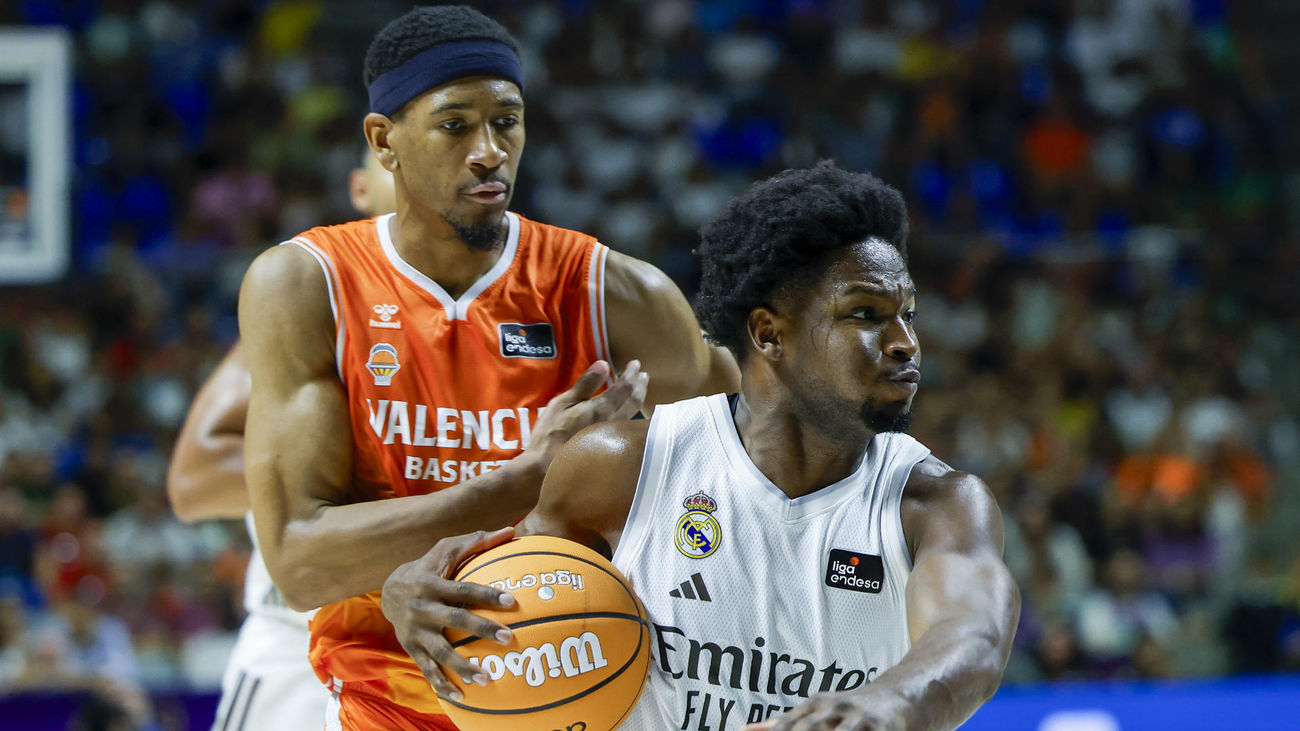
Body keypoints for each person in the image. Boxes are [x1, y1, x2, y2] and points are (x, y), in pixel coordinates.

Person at [236, 6, 738, 730]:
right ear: (384, 141)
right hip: (387, 703)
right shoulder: (308, 283)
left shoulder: (615, 293)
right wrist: (525, 482)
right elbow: (299, 563)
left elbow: (753, 480)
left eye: (507, 122)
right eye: (455, 125)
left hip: (575, 682)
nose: (489, 151)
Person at [384, 161, 1021, 731]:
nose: (905, 341)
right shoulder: (624, 469)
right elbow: (503, 621)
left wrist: (888, 705)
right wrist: (412, 598)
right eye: (865, 315)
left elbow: (975, 637)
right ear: (769, 334)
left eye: (908, 313)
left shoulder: (937, 504)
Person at [166, 148, 396, 731]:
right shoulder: (313, 299)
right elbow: (193, 481)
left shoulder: (516, 308)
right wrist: (353, 472)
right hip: (302, 639)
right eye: (394, 161)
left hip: (444, 631)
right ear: (360, 190)